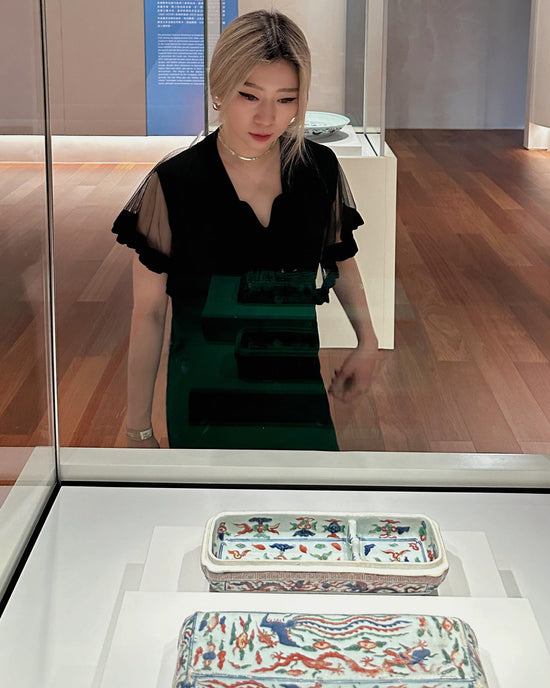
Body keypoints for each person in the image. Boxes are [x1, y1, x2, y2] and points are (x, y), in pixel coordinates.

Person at [113, 10, 378, 450]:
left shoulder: (318, 169)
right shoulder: (175, 183)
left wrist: (367, 342)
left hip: (296, 389)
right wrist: (138, 428)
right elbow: (149, 314)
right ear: (219, 89)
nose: (267, 117)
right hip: (204, 392)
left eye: (286, 99)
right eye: (249, 95)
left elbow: (341, 260)